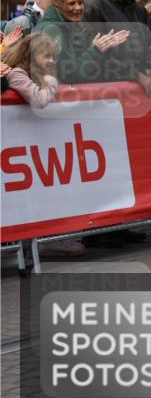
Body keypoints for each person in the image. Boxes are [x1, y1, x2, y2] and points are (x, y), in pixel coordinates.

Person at [2, 33, 87, 256]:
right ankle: (31, 245)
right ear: (30, 55)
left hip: (37, 148)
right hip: (19, 149)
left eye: (53, 57)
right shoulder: (17, 73)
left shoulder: (36, 73)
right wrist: (51, 79)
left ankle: (49, 239)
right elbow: (40, 100)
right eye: (46, 56)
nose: (51, 61)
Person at [34, 0, 128, 84]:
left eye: (80, 2)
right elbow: (69, 73)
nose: (78, 7)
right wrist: (96, 50)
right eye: (71, 4)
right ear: (58, 6)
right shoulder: (52, 30)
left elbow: (83, 64)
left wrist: (104, 48)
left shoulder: (72, 26)